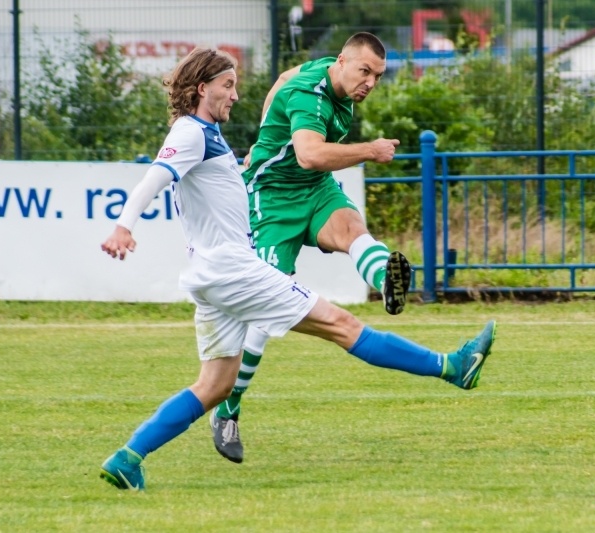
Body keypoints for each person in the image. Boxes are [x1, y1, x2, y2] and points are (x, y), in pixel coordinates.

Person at [98, 46, 496, 491]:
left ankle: (127, 458)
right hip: (234, 272)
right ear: (201, 88)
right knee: (344, 326)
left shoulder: (205, 136)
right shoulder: (192, 133)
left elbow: (280, 88)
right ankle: (452, 366)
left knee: (214, 387)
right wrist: (123, 227)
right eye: (227, 86)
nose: (235, 95)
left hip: (212, 276)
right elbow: (155, 176)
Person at [210, 32, 412, 464]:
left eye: (377, 75)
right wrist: (370, 151)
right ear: (343, 62)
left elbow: (284, 76)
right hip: (273, 197)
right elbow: (308, 155)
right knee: (264, 310)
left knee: (353, 229)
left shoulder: (323, 72)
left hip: (315, 191)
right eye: (365, 72)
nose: (370, 83)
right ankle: (228, 410)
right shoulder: (310, 94)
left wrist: (267, 122)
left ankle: (386, 281)